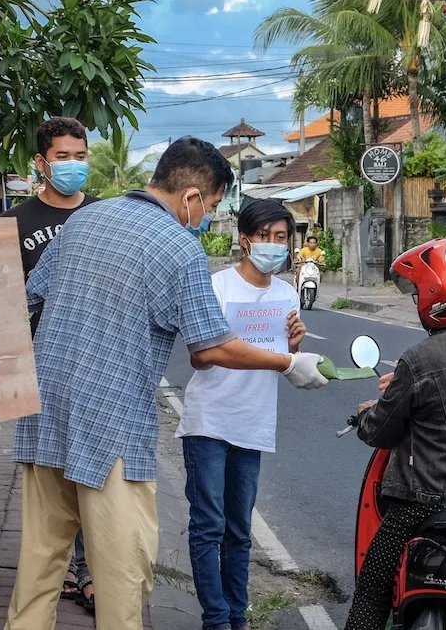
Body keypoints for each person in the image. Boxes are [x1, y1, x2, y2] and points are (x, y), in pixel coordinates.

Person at [4, 137, 328, 630]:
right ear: (194, 196)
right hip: (110, 428)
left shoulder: (83, 219)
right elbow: (209, 348)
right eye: (213, 205)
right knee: (122, 578)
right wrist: (286, 362)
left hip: (44, 413)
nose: (206, 217)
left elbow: (29, 295)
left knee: (40, 566)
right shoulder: (179, 247)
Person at [345, 238, 446, 630]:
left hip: (428, 502)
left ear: (440, 296)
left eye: (419, 290)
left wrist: (369, 413)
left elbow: (380, 432)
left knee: (373, 586)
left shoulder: (419, 360)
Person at [176, 199, 306, 630]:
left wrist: (295, 347)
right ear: (244, 240)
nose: (273, 245)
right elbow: (201, 358)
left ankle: (238, 615)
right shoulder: (218, 287)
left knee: (239, 532)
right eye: (265, 236)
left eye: (281, 237)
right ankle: (216, 619)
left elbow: (285, 361)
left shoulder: (287, 294)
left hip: (253, 422)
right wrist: (274, 359)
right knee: (208, 526)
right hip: (209, 420)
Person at [0, 116, 97, 612]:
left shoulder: (104, 216)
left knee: (91, 468)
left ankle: (88, 569)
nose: (74, 165)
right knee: (46, 471)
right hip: (38, 364)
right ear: (42, 162)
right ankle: (53, 570)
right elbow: (1, 297)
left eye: (80, 156)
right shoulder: (17, 222)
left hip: (95, 362)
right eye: (63, 157)